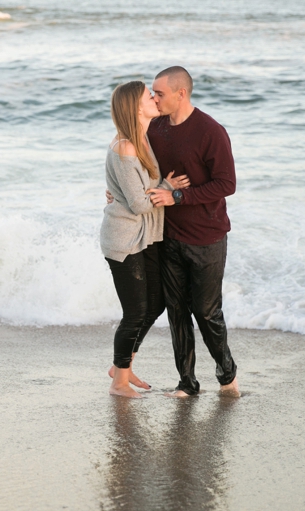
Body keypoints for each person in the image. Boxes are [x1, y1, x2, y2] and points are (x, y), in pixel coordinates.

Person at [146, 66, 240, 398]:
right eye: (153, 93)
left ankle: (227, 376)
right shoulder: (155, 128)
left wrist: (178, 196)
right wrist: (120, 190)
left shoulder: (210, 131)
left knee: (206, 310)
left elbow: (227, 184)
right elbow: (140, 168)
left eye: (159, 93)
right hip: (169, 236)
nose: (154, 98)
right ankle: (187, 382)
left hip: (207, 237)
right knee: (177, 310)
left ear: (180, 93)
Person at [100, 80, 189, 398]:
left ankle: (121, 365)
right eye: (147, 96)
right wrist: (166, 185)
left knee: (156, 303)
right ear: (135, 108)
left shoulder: (142, 137)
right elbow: (138, 203)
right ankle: (118, 383)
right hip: (124, 240)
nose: (154, 98)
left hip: (145, 237)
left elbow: (124, 186)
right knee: (136, 311)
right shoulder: (125, 146)